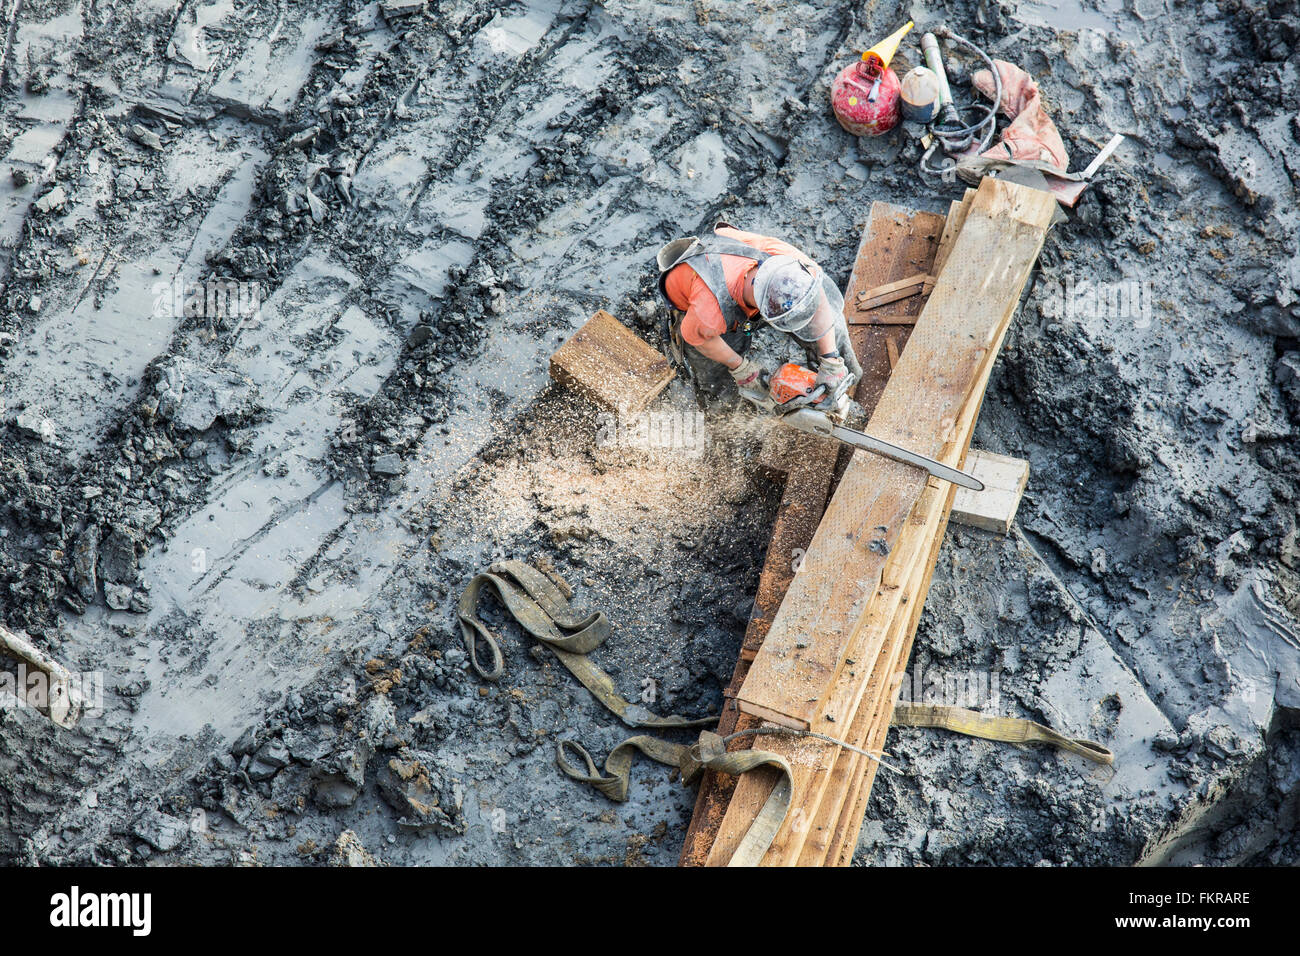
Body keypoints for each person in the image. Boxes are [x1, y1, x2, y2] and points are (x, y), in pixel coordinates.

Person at [656, 222, 862, 410]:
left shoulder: (791, 263)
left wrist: (830, 358)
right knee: (716, 376)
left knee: (832, 328)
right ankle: (727, 416)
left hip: (740, 284)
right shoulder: (709, 312)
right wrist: (740, 368)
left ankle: (845, 379)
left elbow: (817, 296)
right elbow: (698, 338)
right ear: (765, 310)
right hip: (700, 307)